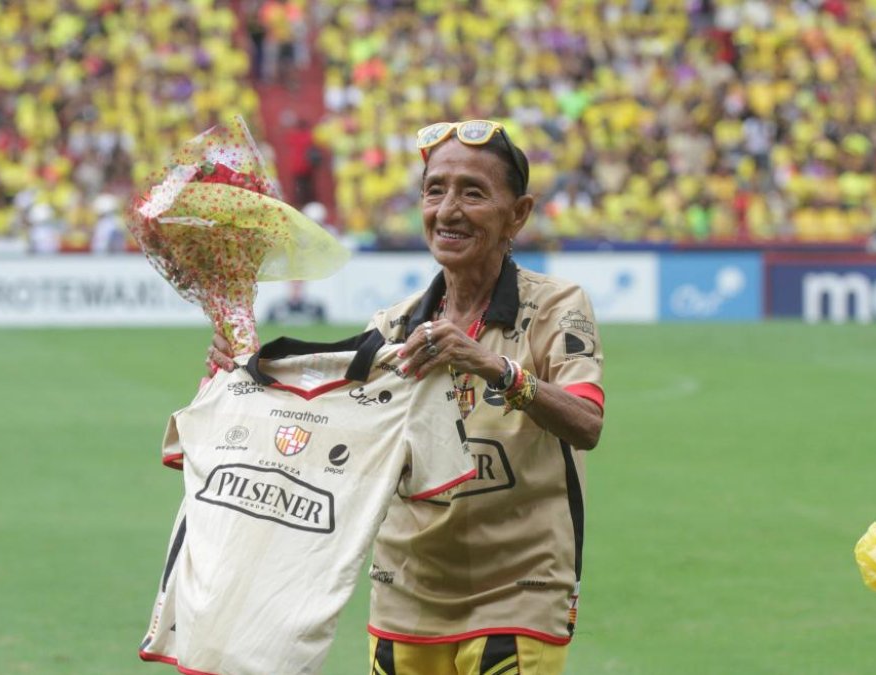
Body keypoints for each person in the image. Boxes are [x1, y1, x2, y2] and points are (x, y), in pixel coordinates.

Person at [208, 119, 605, 675]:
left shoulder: (558, 306)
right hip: (405, 595)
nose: (448, 209)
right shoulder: (392, 327)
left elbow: (586, 422)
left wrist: (492, 367)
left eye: (473, 192)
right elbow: (324, 431)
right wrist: (241, 378)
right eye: (434, 190)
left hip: (520, 589)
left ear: (518, 214)